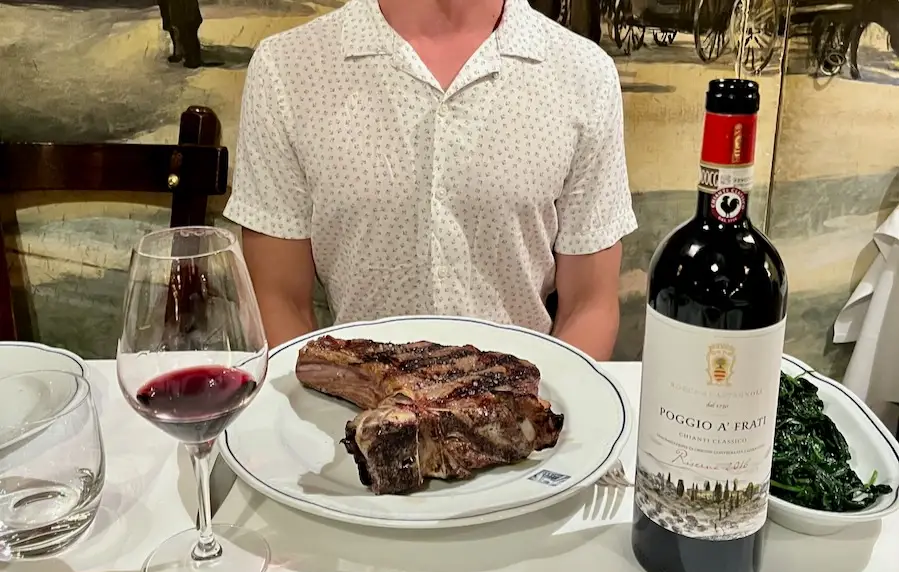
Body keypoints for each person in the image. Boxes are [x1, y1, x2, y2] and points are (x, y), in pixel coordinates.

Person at [224, 0, 637, 360]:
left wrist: (545, 416)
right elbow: (279, 300)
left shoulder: (584, 77)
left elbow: (589, 304)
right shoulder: (289, 70)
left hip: (521, 422)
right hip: (351, 423)